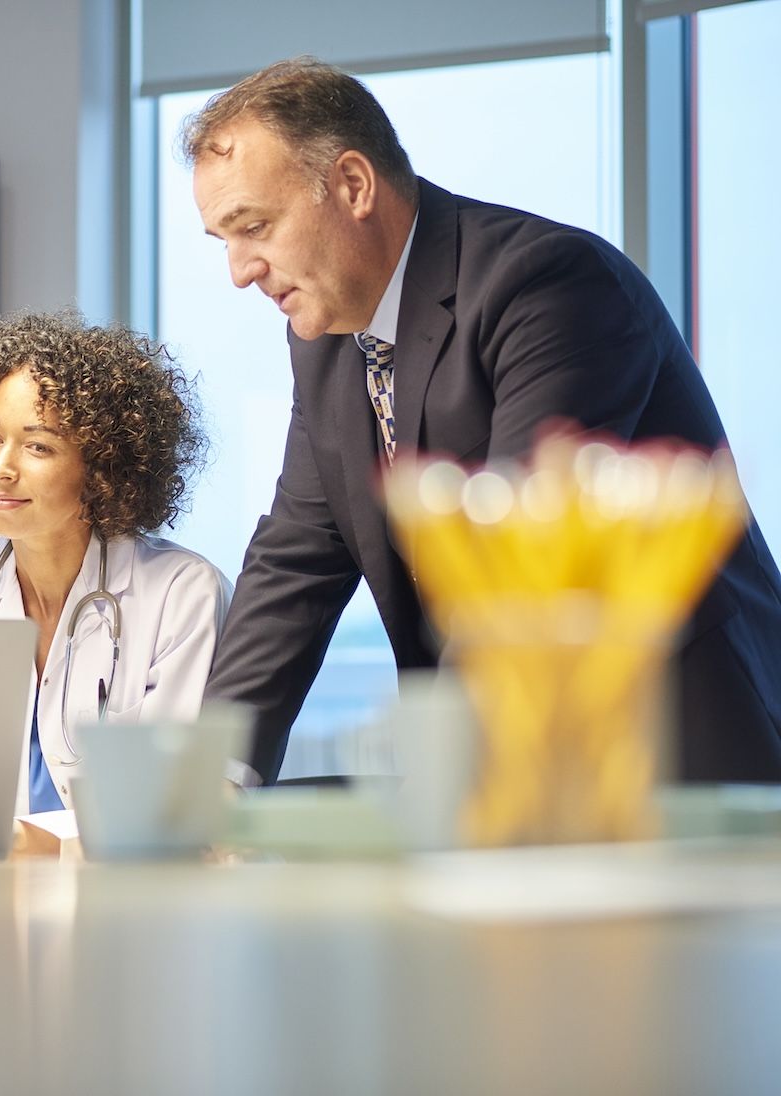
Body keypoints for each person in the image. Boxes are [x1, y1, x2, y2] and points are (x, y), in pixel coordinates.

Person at [186, 57, 781, 784]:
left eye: (256, 227)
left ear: (352, 185)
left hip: (673, 752)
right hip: (508, 767)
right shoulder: (326, 342)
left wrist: (443, 769)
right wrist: (213, 782)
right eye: (225, 241)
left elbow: (518, 551)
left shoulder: (548, 284)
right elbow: (295, 559)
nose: (240, 271)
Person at [0, 312, 234, 815]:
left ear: (103, 463)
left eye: (38, 446)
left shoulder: (180, 594)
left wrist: (47, 848)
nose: (0, 469)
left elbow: (174, 804)